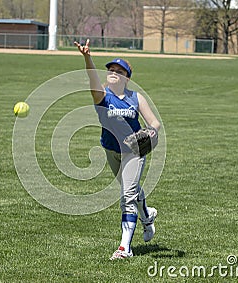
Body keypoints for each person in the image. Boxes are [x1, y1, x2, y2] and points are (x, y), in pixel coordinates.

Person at [74, 39, 161, 260]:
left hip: (133, 151)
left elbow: (154, 123)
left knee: (127, 197)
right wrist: (87, 57)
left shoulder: (136, 98)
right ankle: (147, 216)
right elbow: (92, 78)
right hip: (111, 151)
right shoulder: (102, 96)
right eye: (111, 70)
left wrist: (150, 133)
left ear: (127, 78)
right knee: (129, 190)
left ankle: (125, 248)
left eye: (119, 71)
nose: (113, 73)